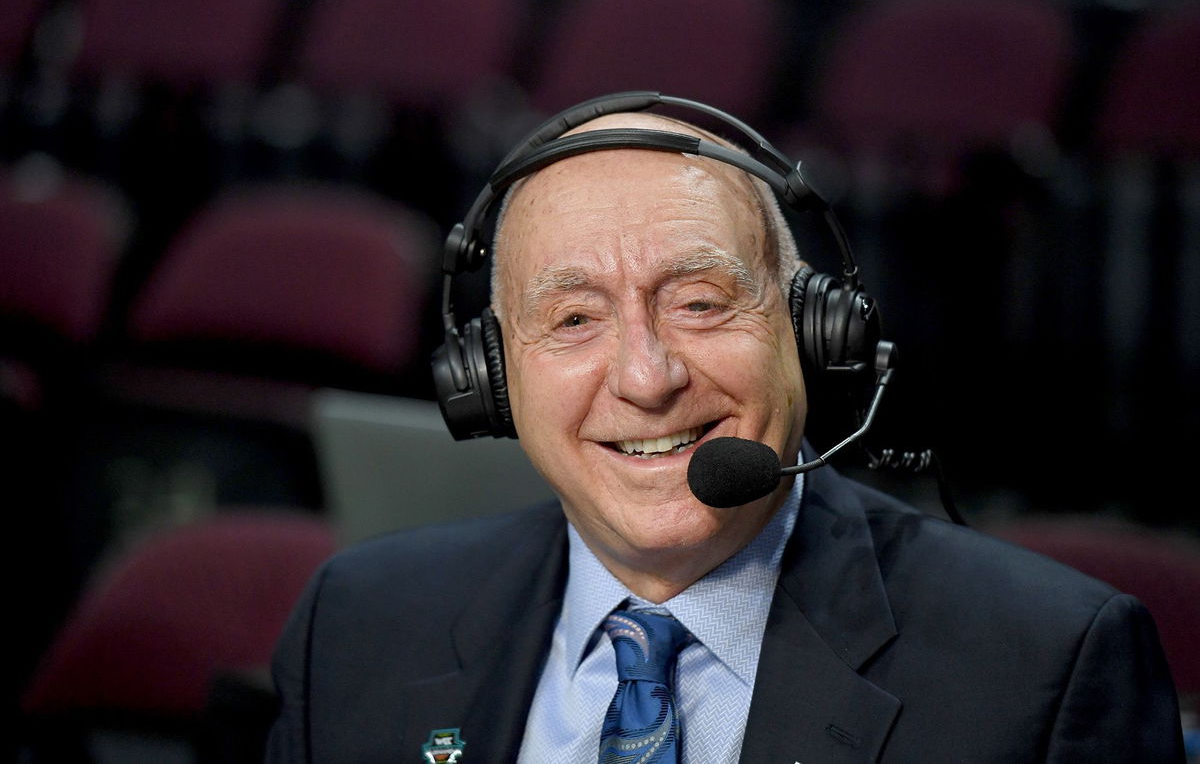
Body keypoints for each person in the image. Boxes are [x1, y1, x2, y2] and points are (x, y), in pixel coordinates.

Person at [264, 94, 1184, 763]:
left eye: (701, 303)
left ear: (815, 335)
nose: (647, 377)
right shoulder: (355, 629)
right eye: (575, 320)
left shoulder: (1046, 670)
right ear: (491, 381)